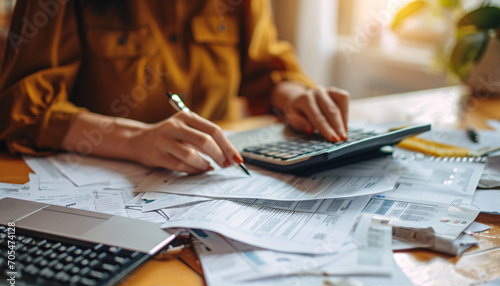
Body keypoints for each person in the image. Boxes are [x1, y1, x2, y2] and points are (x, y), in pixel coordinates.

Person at [0, 0, 349, 174]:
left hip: (215, 187)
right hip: (99, 188)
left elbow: (263, 70)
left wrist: (295, 95)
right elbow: (21, 112)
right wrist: (136, 139)